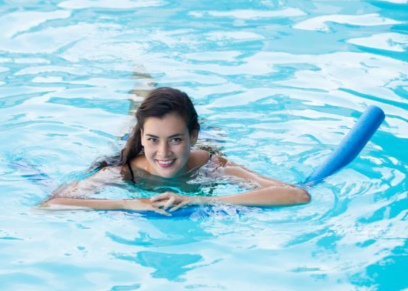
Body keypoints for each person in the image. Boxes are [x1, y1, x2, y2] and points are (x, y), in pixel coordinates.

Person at [40, 87, 310, 216]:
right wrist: (129, 203)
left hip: (203, 146)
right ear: (143, 139)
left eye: (176, 140)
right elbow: (50, 205)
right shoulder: (122, 172)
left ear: (193, 136)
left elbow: (297, 194)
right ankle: (140, 89)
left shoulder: (211, 165)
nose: (163, 153)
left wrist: (202, 201)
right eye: (153, 140)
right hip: (130, 141)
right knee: (134, 111)